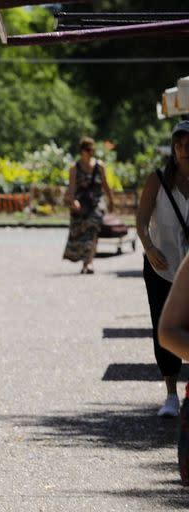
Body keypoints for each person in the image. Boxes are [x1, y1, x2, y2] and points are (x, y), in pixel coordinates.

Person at [136, 120, 189, 417]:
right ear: (173, 149)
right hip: (162, 266)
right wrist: (149, 247)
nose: (184, 150)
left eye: (188, 144)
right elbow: (141, 219)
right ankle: (171, 395)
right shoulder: (157, 180)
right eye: (179, 145)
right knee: (163, 325)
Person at [63, 137, 115, 274]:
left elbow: (105, 185)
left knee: (93, 227)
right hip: (81, 203)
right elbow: (72, 189)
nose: (91, 152)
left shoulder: (99, 166)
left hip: (97, 202)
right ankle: (85, 259)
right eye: (88, 150)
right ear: (82, 151)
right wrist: (73, 201)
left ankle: (89, 262)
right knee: (80, 231)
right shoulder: (75, 168)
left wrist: (111, 201)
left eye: (92, 150)